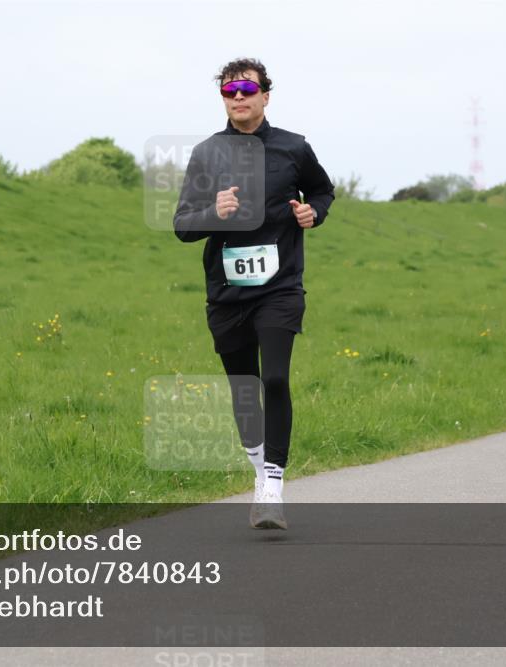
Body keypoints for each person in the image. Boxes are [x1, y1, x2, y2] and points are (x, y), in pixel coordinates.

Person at [173, 58, 335, 529]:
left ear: (266, 95)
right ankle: (259, 465)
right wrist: (214, 212)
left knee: (276, 380)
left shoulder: (293, 148)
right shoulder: (207, 154)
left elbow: (322, 192)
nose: (238, 98)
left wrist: (313, 214)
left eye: (248, 89)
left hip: (280, 287)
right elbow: (183, 226)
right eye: (229, 92)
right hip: (227, 292)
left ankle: (271, 486)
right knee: (244, 387)